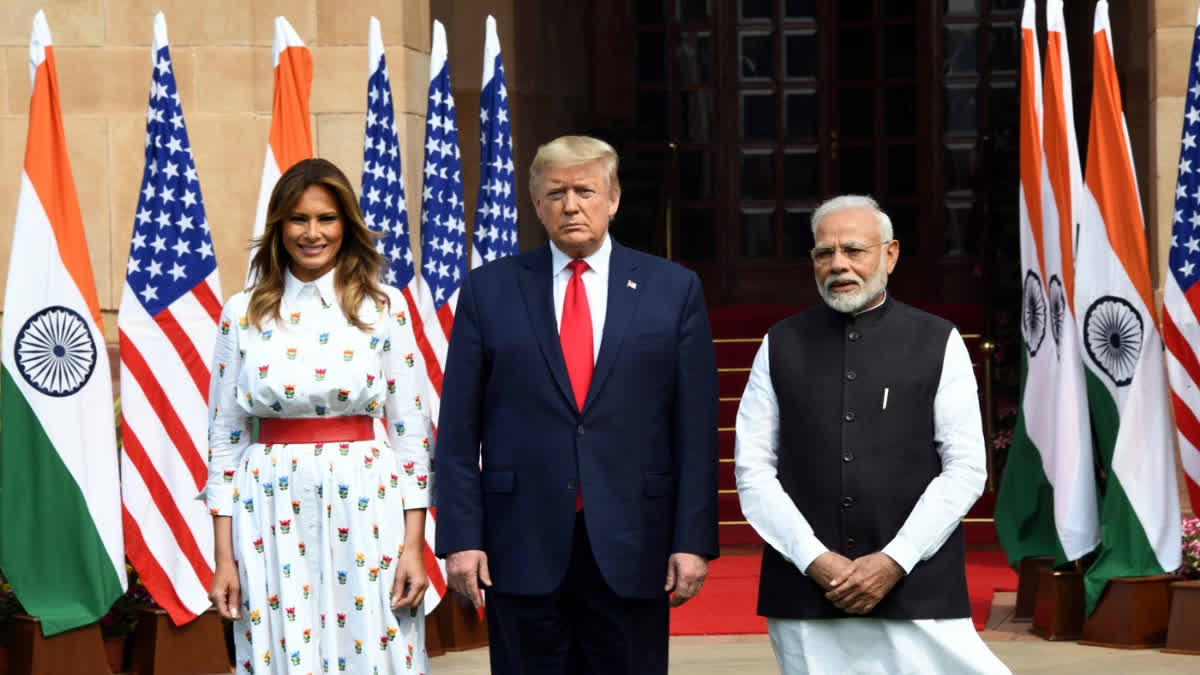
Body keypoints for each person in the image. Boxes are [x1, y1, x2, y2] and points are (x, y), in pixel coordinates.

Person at [434, 135, 719, 674]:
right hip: (519, 542)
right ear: (536, 204)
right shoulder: (488, 290)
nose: (571, 205)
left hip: (636, 541)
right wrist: (460, 538)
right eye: (556, 192)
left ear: (612, 199)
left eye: (586, 190)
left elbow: (696, 429)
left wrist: (693, 540)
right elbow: (457, 429)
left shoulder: (672, 289)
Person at [734, 194, 1010, 674]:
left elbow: (966, 468)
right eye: (824, 253)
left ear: (891, 255)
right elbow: (753, 471)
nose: (838, 264)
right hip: (807, 589)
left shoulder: (937, 339)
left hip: (917, 584)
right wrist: (816, 559)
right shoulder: (780, 343)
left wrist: (894, 560)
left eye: (854, 250)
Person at [203, 158, 434, 674]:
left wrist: (414, 546)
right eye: (298, 219)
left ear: (346, 225)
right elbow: (224, 438)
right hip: (268, 501)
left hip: (368, 499)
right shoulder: (242, 313)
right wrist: (224, 559)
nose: (312, 233)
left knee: (377, 645)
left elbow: (411, 435)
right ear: (279, 227)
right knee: (280, 648)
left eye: (326, 219)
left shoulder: (385, 307)